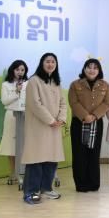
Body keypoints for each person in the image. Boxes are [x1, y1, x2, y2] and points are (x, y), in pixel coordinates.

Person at [21, 53, 66, 205]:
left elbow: (63, 103)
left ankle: (46, 188)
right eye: (47, 61)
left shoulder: (56, 82)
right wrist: (51, 120)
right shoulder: (34, 80)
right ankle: (31, 192)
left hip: (54, 127)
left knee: (51, 158)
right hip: (39, 127)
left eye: (53, 61)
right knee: (36, 159)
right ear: (42, 63)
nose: (50, 64)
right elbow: (35, 103)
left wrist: (61, 119)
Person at [68, 58, 109, 192]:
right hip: (79, 122)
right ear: (84, 69)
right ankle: (81, 184)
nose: (92, 70)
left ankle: (93, 183)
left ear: (99, 70)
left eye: (95, 68)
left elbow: (107, 103)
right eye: (89, 67)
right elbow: (73, 102)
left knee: (94, 153)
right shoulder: (75, 84)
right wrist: (85, 116)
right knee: (79, 154)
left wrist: (94, 116)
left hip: (96, 122)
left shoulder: (105, 85)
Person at [0, 60, 28, 184]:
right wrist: (16, 92)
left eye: (22, 70)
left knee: (24, 145)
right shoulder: (6, 84)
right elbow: (4, 101)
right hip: (11, 116)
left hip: (24, 116)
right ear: (13, 70)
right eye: (17, 69)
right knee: (11, 146)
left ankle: (24, 172)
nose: (20, 72)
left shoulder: (27, 84)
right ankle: (13, 173)